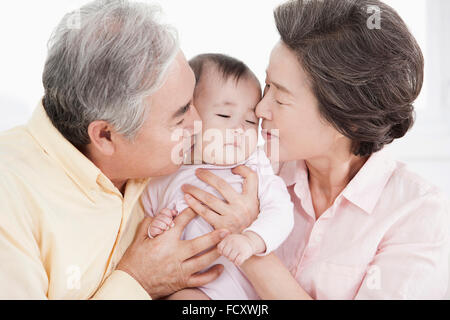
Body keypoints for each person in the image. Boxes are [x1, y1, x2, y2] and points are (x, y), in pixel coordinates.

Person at [181, 0, 450, 299]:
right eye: (267, 86)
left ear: (348, 121)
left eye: (280, 99)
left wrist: (250, 237)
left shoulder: (416, 214)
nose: (260, 109)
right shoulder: (249, 170)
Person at [0, 0, 260, 299]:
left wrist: (251, 227)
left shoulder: (179, 162)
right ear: (106, 135)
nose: (199, 122)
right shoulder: (10, 201)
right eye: (181, 114)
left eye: (193, 101)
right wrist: (138, 281)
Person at [143, 54, 294, 300]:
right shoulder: (167, 171)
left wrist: (251, 240)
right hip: (190, 288)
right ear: (190, 116)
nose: (239, 128)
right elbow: (147, 218)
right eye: (225, 116)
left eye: (249, 121)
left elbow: (281, 213)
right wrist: (156, 226)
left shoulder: (256, 168)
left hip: (240, 291)